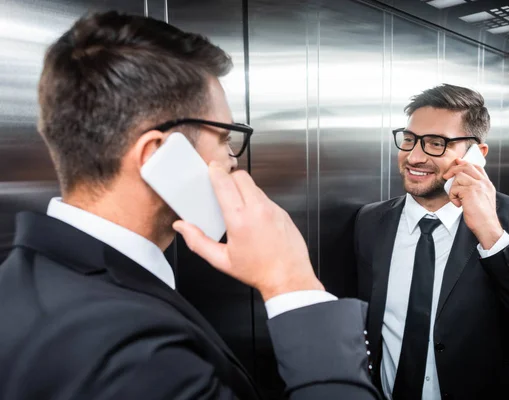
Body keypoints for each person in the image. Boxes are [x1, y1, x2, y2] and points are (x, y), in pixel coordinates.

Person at [0, 11, 380, 400]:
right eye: (225, 139)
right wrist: (292, 283)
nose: (233, 160)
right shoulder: (134, 353)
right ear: (157, 155)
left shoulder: (23, 280)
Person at [354, 84, 509, 400]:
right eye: (409, 139)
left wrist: (493, 238)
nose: (414, 156)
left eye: (436, 143)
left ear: (476, 154)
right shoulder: (370, 221)